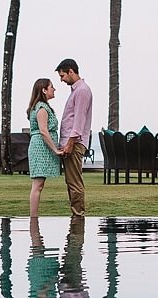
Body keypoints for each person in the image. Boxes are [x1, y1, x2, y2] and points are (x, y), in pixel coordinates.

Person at [56, 58, 93, 217]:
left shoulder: (82, 91)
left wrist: (70, 143)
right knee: (71, 182)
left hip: (74, 143)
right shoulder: (76, 91)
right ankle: (76, 214)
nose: (62, 80)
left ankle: (78, 216)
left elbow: (78, 120)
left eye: (63, 75)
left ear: (71, 71)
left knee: (75, 182)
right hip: (70, 143)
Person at [27, 78, 63, 217]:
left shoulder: (43, 107)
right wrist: (55, 149)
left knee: (39, 185)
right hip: (40, 149)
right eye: (51, 87)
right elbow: (43, 131)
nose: (54, 89)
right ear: (44, 90)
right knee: (38, 185)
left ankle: (34, 217)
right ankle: (33, 218)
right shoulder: (41, 108)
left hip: (43, 148)